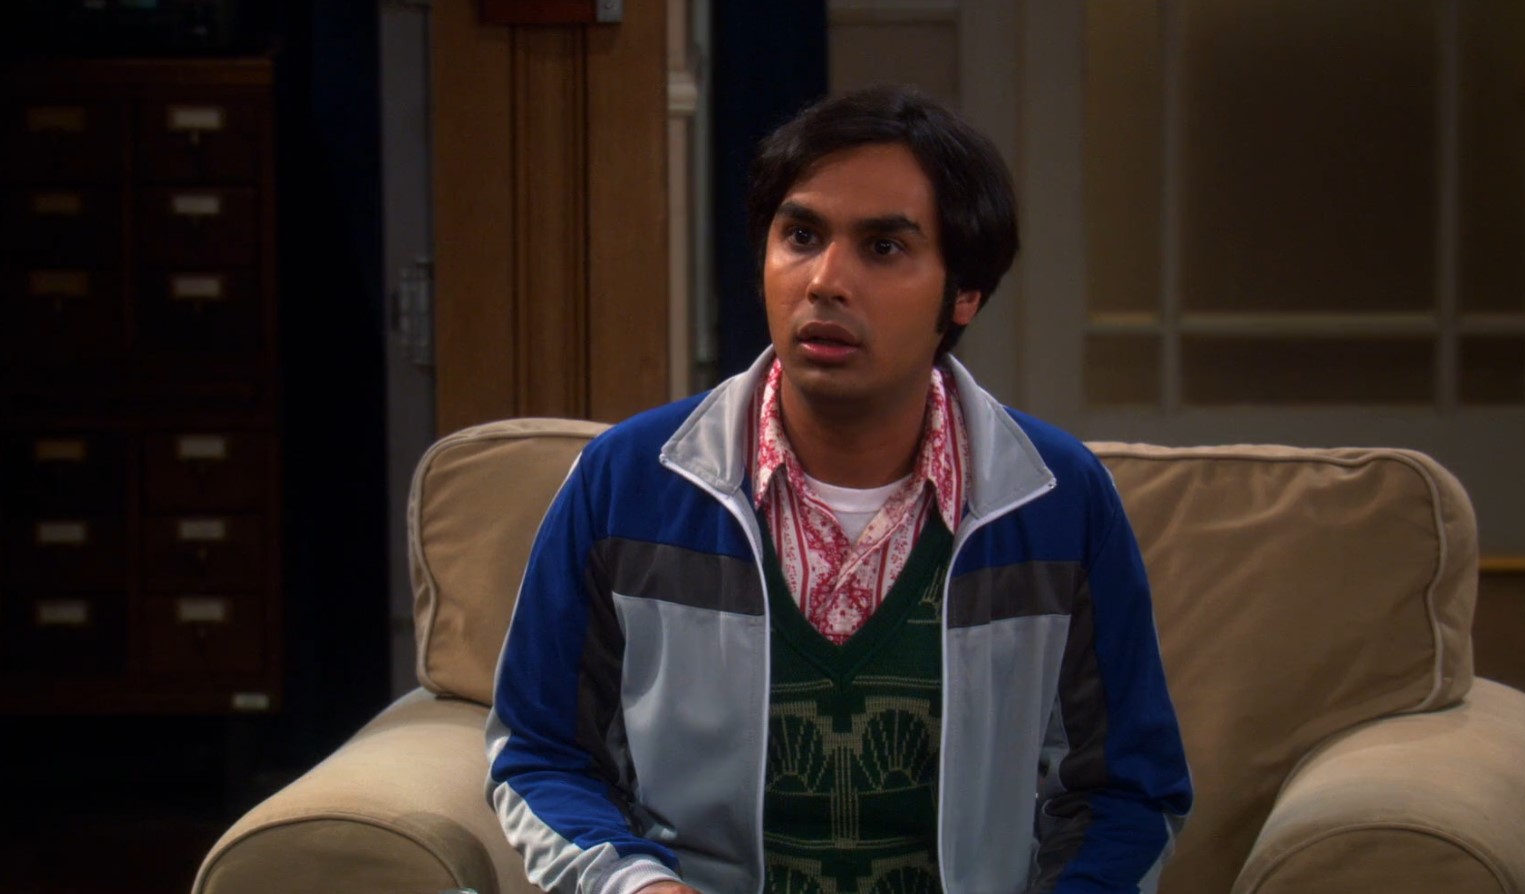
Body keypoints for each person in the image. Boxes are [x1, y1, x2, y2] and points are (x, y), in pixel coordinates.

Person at [486, 84, 1192, 894]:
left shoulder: (1058, 501)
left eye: (882, 248)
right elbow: (541, 755)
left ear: (964, 293)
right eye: (801, 236)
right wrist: (637, 886)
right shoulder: (626, 484)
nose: (824, 281)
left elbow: (1128, 793)